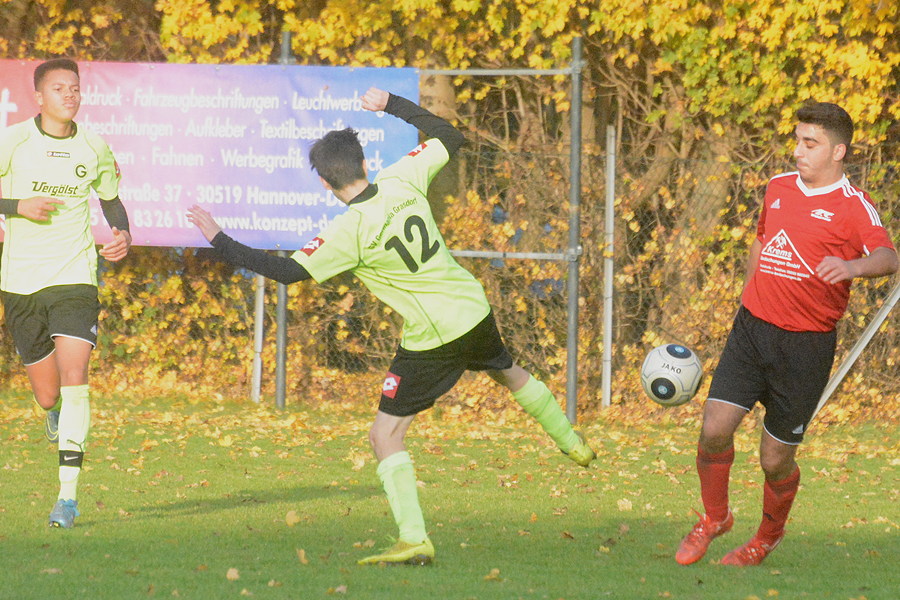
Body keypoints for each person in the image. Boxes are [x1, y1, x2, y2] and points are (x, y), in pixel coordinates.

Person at [188, 87, 596, 566]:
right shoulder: (403, 177)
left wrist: (218, 238)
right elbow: (450, 135)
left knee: (384, 436)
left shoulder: (349, 230)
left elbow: (287, 271)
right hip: (472, 307)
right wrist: (391, 105)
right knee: (509, 372)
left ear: (325, 184)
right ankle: (573, 444)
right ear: (364, 162)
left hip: (434, 336)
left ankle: (413, 537)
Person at [675, 102, 898, 567]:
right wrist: (747, 295)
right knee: (714, 428)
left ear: (838, 151)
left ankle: (766, 538)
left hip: (805, 347)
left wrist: (852, 267)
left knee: (774, 459)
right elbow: (762, 239)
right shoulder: (778, 186)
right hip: (752, 330)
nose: (798, 151)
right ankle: (715, 518)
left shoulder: (854, 206)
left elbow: (887, 257)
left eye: (809, 143)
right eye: (797, 140)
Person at [0, 58, 132, 528]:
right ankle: (52, 412)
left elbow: (111, 199)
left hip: (76, 276)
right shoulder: (13, 140)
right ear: (39, 96)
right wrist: (17, 205)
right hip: (20, 282)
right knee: (47, 394)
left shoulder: (94, 145)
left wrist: (122, 233)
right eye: (59, 88)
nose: (69, 95)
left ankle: (67, 498)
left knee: (76, 375)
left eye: (74, 87)